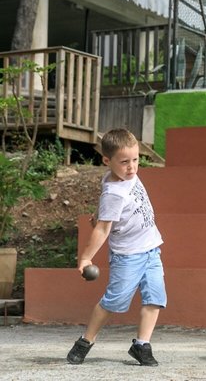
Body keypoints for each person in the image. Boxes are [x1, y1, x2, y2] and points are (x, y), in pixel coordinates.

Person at [66, 128, 166, 366]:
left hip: (152, 250)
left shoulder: (123, 176)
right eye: (124, 162)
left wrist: (98, 212)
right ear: (106, 161)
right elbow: (102, 229)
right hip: (128, 256)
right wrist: (85, 258)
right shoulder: (115, 192)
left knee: (155, 298)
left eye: (135, 159)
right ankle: (86, 341)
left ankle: (142, 345)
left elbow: (105, 206)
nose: (132, 167)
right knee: (113, 302)